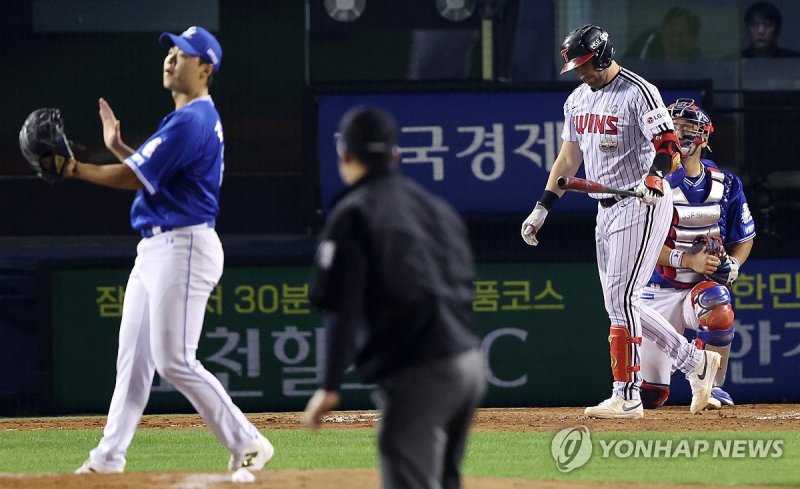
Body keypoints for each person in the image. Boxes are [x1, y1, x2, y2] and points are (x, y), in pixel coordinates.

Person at [67, 26, 274, 477]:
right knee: (134, 362)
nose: (171, 60)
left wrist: (74, 168)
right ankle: (107, 459)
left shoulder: (193, 119)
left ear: (206, 68)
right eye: (171, 53)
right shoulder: (187, 120)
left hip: (183, 244)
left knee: (174, 359)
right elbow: (153, 174)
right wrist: (120, 148)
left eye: (183, 55)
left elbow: (136, 179)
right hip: (159, 247)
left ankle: (249, 442)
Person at [520, 24, 722, 419]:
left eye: (584, 65)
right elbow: (567, 161)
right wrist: (543, 206)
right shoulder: (577, 99)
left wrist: (654, 177)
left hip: (642, 202)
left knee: (622, 300)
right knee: (618, 302)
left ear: (602, 56)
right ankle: (695, 363)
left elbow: (668, 148)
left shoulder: (638, 91)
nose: (581, 73)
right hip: (605, 206)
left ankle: (627, 394)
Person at [303, 106, 486, 489]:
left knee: (407, 471)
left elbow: (341, 307)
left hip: (420, 371)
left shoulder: (352, 212)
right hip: (469, 363)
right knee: (443, 479)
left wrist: (329, 385)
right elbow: (465, 282)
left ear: (345, 156)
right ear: (395, 156)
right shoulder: (434, 207)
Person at [640, 99, 756, 410]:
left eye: (688, 130)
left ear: (704, 137)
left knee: (716, 303)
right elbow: (641, 248)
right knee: (650, 395)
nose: (679, 136)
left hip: (697, 289)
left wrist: (733, 263)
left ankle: (712, 386)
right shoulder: (653, 184)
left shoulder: (727, 184)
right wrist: (687, 259)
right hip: (657, 291)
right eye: (672, 130)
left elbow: (744, 236)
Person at [626, 7, 702, 60]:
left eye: (683, 34)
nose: (676, 40)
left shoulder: (704, 71)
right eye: (672, 33)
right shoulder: (642, 58)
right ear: (662, 33)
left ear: (694, 38)